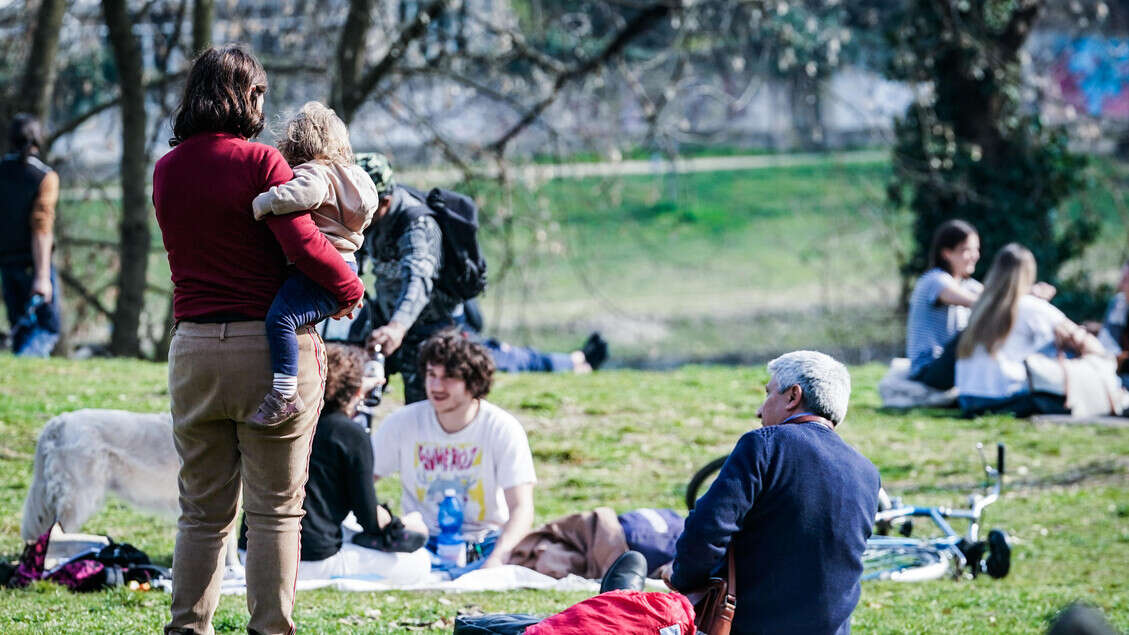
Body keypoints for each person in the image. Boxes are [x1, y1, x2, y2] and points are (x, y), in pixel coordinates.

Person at [153, 45, 363, 635]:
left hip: (192, 349)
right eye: (260, 94)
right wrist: (350, 288)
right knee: (274, 510)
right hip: (268, 350)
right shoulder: (261, 163)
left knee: (200, 512)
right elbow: (303, 248)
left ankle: (187, 628)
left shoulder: (165, 170)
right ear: (247, 96)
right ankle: (271, 628)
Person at [668, 350, 880, 634]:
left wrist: (680, 578)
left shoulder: (765, 445)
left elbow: (707, 530)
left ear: (793, 396)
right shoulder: (867, 472)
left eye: (768, 394)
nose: (759, 410)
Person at [239, 343, 431, 583]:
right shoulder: (349, 433)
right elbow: (369, 521)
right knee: (421, 563)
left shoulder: (277, 421)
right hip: (309, 560)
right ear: (357, 389)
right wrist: (401, 523)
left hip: (250, 552)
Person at [246, 101, 377, 426]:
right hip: (346, 264)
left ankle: (284, 393)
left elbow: (302, 195)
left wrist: (262, 203)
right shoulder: (355, 179)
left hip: (319, 267)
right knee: (302, 322)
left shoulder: (314, 173)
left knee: (281, 319)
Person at [371, 331, 536, 570]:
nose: (437, 385)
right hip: (418, 544)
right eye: (431, 374)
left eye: (449, 377)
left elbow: (522, 507)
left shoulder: (502, 428)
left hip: (485, 542)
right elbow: (360, 484)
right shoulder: (402, 422)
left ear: (474, 381)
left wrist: (497, 560)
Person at [955, 243, 1105, 417]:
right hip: (1002, 398)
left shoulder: (981, 306)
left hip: (968, 399)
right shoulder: (1030, 306)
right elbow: (1094, 348)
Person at [0, 114, 61, 356]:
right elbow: (41, 227)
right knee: (47, 327)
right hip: (31, 264)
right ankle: (28, 364)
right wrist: (42, 276)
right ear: (37, 139)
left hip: (6, 264)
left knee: (20, 326)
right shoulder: (45, 177)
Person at [905, 220, 983, 389]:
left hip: (946, 366)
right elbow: (978, 302)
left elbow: (993, 294)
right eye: (966, 250)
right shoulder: (935, 280)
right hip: (928, 369)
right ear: (947, 253)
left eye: (976, 249)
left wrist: (1027, 293)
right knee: (974, 331)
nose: (974, 256)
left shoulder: (967, 284)